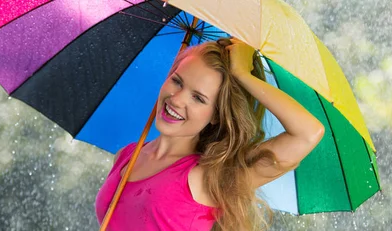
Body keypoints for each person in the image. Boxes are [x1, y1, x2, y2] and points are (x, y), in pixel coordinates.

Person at [95, 38, 325, 231]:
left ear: (216, 115)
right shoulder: (127, 156)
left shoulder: (211, 177)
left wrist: (242, 74)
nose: (176, 99)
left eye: (198, 98)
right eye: (177, 81)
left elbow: (307, 133)